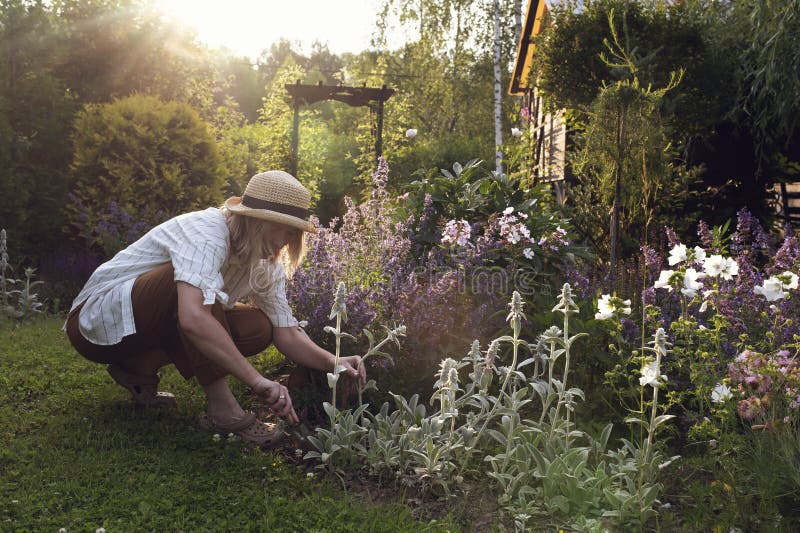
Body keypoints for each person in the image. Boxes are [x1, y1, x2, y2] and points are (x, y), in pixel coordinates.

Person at [65, 170, 365, 445]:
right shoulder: (206, 233)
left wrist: (333, 361)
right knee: (192, 296)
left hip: (139, 331)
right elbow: (193, 318)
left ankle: (138, 369)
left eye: (292, 234)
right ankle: (225, 411)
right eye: (283, 230)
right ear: (257, 220)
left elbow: (285, 332)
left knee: (259, 327)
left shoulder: (265, 260)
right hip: (94, 323)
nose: (286, 243)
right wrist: (257, 380)